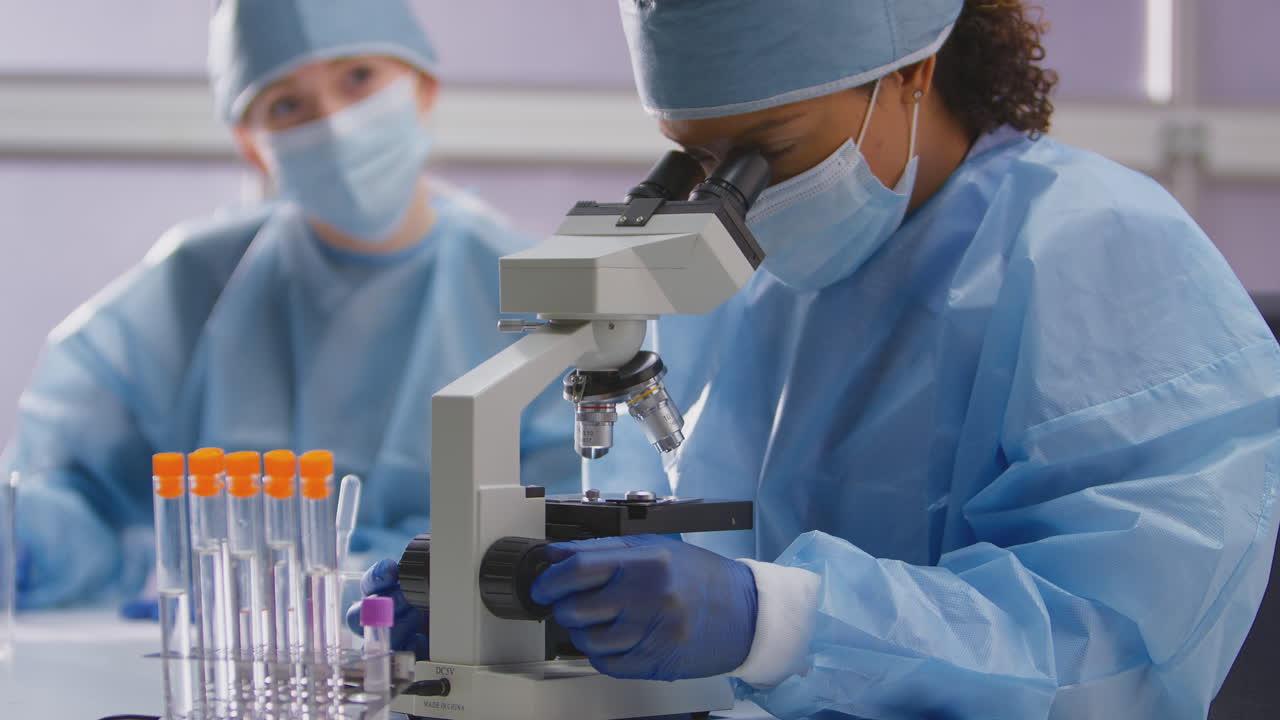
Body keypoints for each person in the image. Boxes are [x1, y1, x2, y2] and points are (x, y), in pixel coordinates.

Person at [358, 1, 1280, 718]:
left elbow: (1109, 652)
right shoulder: (741, 268)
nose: (734, 197)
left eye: (769, 151)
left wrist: (782, 619)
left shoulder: (1096, 250)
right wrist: (529, 598)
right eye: (696, 159)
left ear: (913, 71)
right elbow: (662, 538)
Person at [0, 0, 575, 612]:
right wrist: (30, 536)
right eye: (286, 104)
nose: (333, 124)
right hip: (233, 664)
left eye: (357, 77)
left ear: (422, 88)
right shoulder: (192, 289)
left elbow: (573, 513)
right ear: (252, 145)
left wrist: (403, 584)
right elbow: (73, 493)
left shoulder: (539, 295)